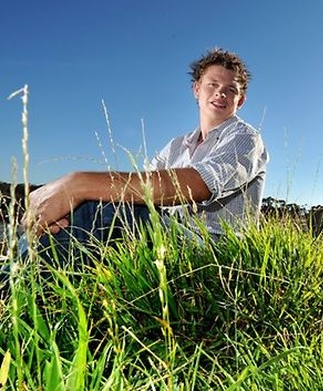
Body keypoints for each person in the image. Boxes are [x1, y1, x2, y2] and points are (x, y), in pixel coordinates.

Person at [4, 47, 269, 275]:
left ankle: (13, 291)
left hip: (217, 256)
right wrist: (70, 206)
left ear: (240, 100)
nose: (220, 93)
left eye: (230, 90)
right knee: (96, 207)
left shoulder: (245, 138)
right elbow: (138, 193)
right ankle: (19, 281)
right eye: (213, 85)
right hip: (170, 237)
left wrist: (79, 184)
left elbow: (198, 184)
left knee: (113, 211)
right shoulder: (177, 146)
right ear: (197, 89)